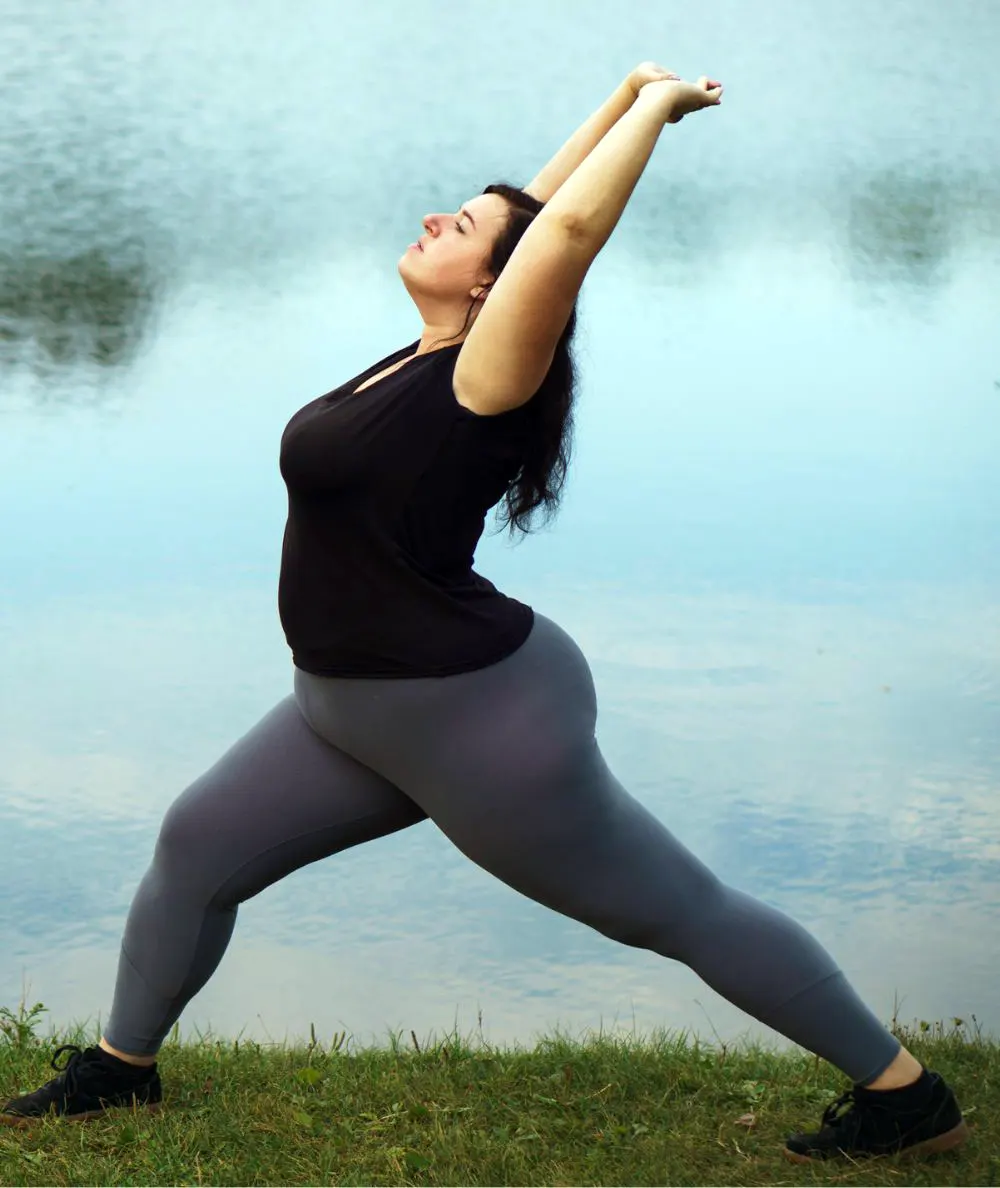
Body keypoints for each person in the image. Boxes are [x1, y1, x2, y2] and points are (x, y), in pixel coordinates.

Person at [2, 66, 968, 1165]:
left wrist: (654, 120)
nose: (431, 218)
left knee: (672, 909)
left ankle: (906, 1097)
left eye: (456, 226)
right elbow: (535, 211)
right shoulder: (425, 349)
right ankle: (120, 1073)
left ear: (490, 289)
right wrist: (620, 92)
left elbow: (558, 240)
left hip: (474, 724)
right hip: (346, 710)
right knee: (195, 845)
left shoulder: (488, 374)